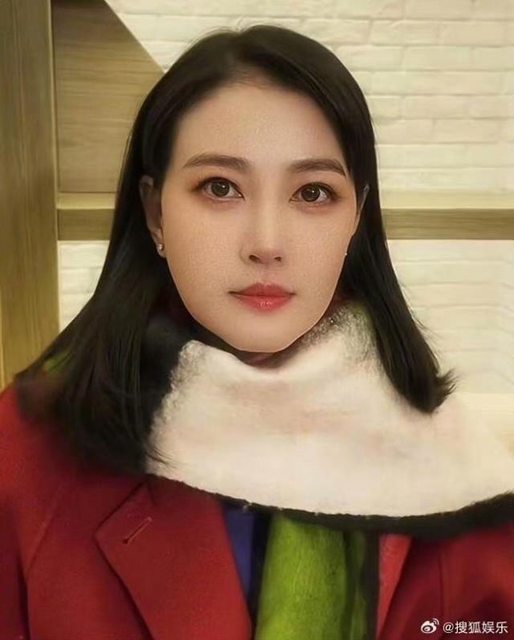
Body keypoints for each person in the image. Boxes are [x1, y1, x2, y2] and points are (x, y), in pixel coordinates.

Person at [1, 24, 513, 640]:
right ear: (156, 211)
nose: (266, 243)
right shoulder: (28, 453)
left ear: (356, 216)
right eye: (220, 188)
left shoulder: (457, 474)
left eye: (313, 192)